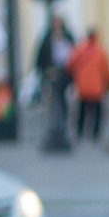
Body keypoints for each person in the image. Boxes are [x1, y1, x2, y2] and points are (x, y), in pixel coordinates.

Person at [66, 28, 109, 141]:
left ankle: (80, 131)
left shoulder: (80, 50)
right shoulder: (100, 51)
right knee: (97, 111)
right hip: (97, 87)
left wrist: (75, 77)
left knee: (83, 110)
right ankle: (95, 133)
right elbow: (107, 70)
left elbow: (70, 65)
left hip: (83, 87)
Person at [33, 14, 73, 146]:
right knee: (52, 100)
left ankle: (61, 124)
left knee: (61, 99)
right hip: (50, 74)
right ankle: (53, 125)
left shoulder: (68, 37)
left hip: (64, 74)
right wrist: (45, 71)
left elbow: (73, 55)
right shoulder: (48, 38)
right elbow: (41, 57)